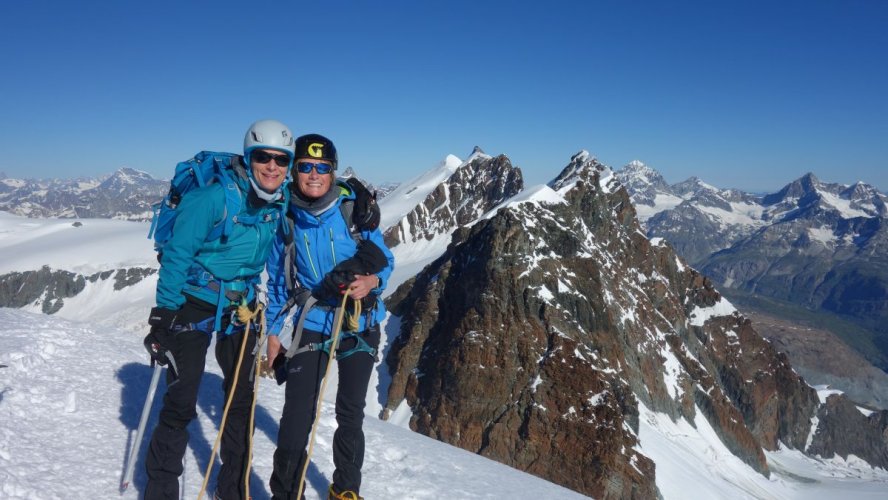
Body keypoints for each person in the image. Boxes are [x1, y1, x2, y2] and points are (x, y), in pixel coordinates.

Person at [142, 119, 296, 500]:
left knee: (240, 404)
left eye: (281, 159)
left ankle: (234, 490)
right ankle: (161, 490)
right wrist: (164, 313)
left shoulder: (282, 201)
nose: (272, 166)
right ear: (249, 156)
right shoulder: (213, 198)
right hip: (193, 303)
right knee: (181, 400)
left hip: (241, 309)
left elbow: (318, 202)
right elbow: (177, 254)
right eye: (264, 157)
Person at [264, 133, 394, 500]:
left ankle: (345, 490)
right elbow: (277, 282)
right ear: (294, 171)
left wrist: (372, 280)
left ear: (333, 172)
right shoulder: (286, 218)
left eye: (322, 167)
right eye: (305, 166)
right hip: (314, 323)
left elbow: (386, 260)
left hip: (359, 322)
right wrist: (274, 334)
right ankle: (287, 493)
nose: (314, 174)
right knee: (295, 419)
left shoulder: (355, 211)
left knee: (350, 412)